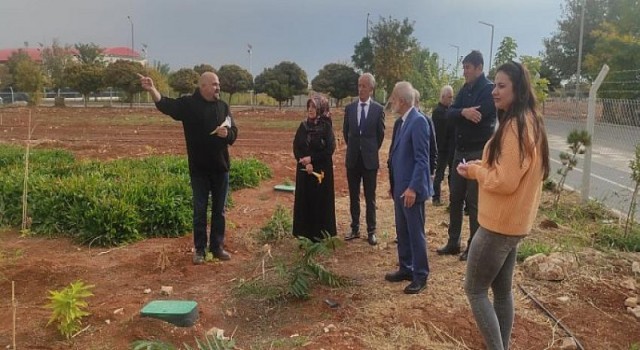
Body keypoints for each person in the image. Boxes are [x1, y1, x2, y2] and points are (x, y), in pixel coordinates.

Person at [456, 61, 550, 350]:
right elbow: (511, 169)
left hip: (497, 226)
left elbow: (506, 181)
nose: (494, 91)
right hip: (513, 225)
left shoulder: (515, 127)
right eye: (494, 85)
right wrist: (481, 164)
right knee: (502, 292)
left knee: (474, 290)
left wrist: (475, 172)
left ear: (517, 89)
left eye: (501, 86)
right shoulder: (529, 120)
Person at [138, 71, 237, 265]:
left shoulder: (223, 106)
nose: (218, 88)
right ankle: (199, 250)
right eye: (215, 84)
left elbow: (234, 134)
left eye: (218, 85)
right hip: (199, 169)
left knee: (220, 211)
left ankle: (217, 248)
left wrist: (227, 134)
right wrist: (152, 89)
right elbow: (166, 105)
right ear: (203, 86)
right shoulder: (189, 105)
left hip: (221, 168)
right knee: (199, 211)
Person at [437, 50, 497, 261]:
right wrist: (463, 112)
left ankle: (474, 246)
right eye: (463, 68)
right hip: (459, 151)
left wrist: (461, 114)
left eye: (467, 68)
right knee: (455, 198)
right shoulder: (465, 89)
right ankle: (453, 242)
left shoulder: (488, 90)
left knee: (473, 201)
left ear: (479, 68)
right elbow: (449, 114)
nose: (464, 72)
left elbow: (479, 118)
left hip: (477, 152)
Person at [384, 81, 432, 294]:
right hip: (400, 188)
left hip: (411, 191)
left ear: (402, 101)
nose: (391, 102)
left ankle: (420, 275)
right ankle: (406, 267)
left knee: (415, 233)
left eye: (393, 98)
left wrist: (413, 188)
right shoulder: (402, 122)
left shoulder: (418, 121)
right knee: (402, 231)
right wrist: (394, 184)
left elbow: (423, 160)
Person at [343, 73, 385, 246]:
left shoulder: (378, 110)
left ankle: (371, 231)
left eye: (364, 86)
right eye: (359, 85)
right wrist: (355, 147)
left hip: (369, 160)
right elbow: (346, 133)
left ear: (371, 89)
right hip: (353, 159)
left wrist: (368, 149)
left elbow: (380, 136)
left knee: (370, 196)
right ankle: (354, 228)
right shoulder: (350, 109)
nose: (360, 89)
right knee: (354, 195)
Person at [292, 94, 337, 242]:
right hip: (305, 171)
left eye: (314, 107)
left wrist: (312, 160)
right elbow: (296, 146)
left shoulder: (326, 127)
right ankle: (304, 235)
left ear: (320, 108)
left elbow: (329, 149)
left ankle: (320, 236)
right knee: (305, 202)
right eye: (309, 107)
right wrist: (304, 161)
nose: (311, 110)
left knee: (319, 203)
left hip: (321, 172)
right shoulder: (303, 126)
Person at [431, 85, 455, 206]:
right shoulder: (438, 112)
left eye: (452, 97)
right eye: (450, 97)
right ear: (443, 97)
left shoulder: (448, 111)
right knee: (439, 174)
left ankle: (453, 199)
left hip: (451, 148)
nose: (451, 100)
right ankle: (436, 197)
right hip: (441, 148)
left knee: (453, 175)